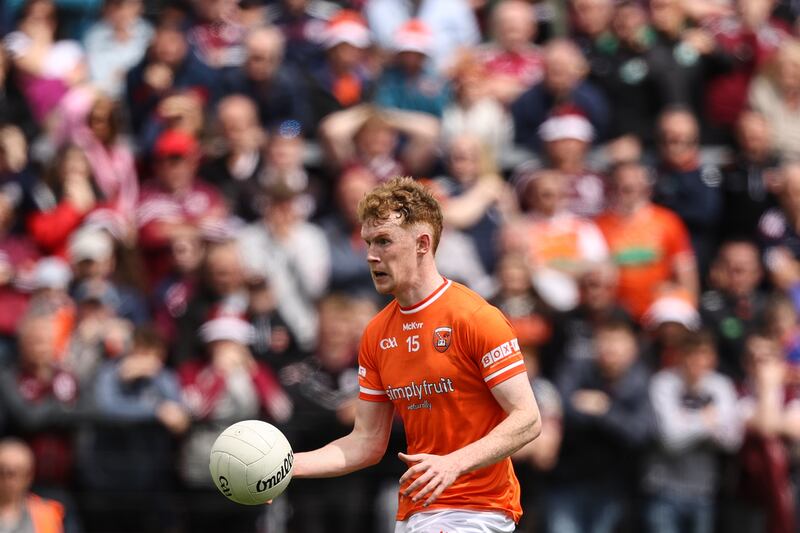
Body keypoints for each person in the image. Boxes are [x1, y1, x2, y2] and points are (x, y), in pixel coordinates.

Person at [291, 177, 541, 532]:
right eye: (367, 242)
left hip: (476, 511)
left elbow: (528, 418)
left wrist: (453, 463)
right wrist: (287, 467)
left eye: (384, 241)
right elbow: (365, 442)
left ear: (422, 243)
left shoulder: (474, 318)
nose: (371, 255)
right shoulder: (377, 334)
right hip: (416, 512)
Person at [0, 438, 64, 533]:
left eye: (13, 473)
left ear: (28, 476)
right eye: (1, 471)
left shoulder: (47, 514)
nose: (7, 480)